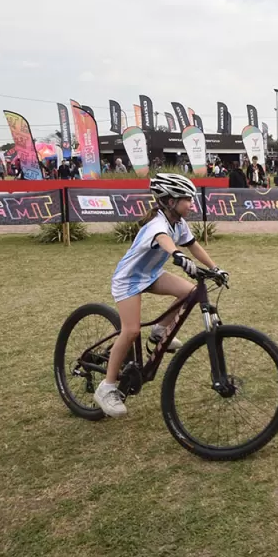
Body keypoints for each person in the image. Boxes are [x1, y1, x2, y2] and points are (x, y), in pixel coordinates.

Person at [93, 174, 226, 418]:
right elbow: (163, 240)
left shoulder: (178, 222)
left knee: (190, 292)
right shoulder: (157, 223)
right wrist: (177, 255)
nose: (191, 203)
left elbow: (193, 245)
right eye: (187, 199)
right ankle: (107, 387)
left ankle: (158, 332)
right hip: (128, 279)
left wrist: (215, 268)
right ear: (170, 201)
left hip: (151, 274)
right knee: (131, 330)